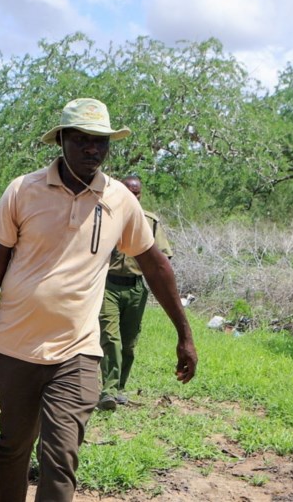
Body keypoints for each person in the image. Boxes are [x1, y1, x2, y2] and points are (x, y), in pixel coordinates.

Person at [0, 98, 197, 502]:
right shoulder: (23, 191)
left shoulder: (120, 200)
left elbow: (156, 266)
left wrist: (185, 335)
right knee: (13, 448)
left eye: (100, 141)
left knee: (61, 456)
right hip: (16, 348)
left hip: (78, 352)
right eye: (81, 140)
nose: (92, 150)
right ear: (61, 140)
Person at [98, 176, 174, 411]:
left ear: (141, 194)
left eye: (137, 193)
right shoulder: (104, 216)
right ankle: (108, 391)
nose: (132, 196)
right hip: (108, 285)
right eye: (128, 191)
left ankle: (120, 387)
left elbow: (163, 256)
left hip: (135, 287)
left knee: (129, 343)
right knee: (111, 338)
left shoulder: (149, 221)